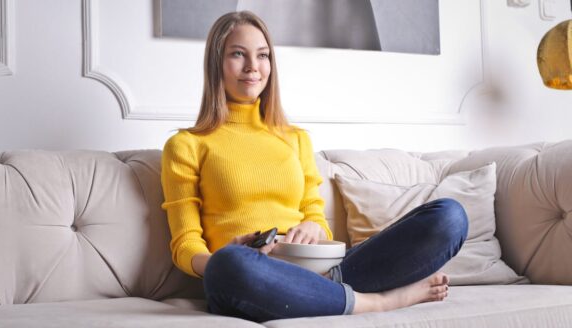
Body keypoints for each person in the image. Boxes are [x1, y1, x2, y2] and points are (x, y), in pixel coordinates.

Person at [161, 11, 468, 322]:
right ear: (217, 63)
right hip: (248, 277)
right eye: (238, 54)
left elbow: (316, 218)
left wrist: (312, 228)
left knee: (449, 217)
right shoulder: (186, 145)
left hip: (319, 270)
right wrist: (221, 256)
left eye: (263, 55)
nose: (253, 67)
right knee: (228, 265)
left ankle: (325, 292)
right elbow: (185, 244)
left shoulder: (295, 139)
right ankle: (376, 303)